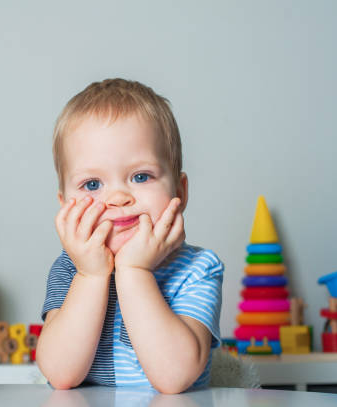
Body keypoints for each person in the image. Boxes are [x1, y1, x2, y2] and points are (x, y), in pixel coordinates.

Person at [36, 78, 224, 394]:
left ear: (179, 191)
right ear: (66, 207)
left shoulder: (198, 269)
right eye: (92, 184)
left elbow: (175, 377)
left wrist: (135, 271)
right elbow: (60, 374)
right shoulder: (71, 269)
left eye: (140, 176)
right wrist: (91, 275)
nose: (119, 197)